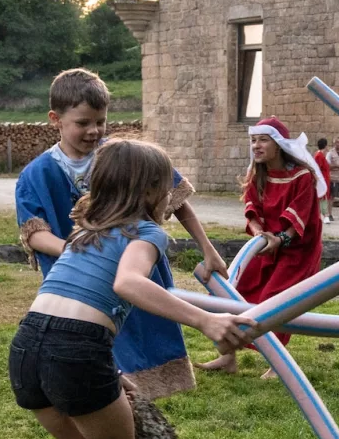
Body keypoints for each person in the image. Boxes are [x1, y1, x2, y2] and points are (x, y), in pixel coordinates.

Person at [0, 140, 254, 439]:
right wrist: (206, 319)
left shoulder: (85, 233)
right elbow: (127, 283)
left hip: (28, 345)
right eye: (166, 185)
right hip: (75, 350)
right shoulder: (148, 233)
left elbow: (81, 299)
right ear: (150, 189)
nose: (171, 196)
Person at [16, 68, 226, 399]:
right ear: (55, 119)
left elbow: (178, 200)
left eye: (100, 121)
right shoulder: (37, 174)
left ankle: (125, 420)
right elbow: (33, 233)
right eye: (82, 123)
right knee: (92, 351)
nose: (94, 130)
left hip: (137, 272)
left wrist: (208, 248)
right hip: (83, 286)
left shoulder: (128, 154)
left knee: (142, 336)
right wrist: (83, 250)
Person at [201, 116, 326, 376]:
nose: (256, 146)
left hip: (297, 250)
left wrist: (280, 239)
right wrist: (260, 235)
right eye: (253, 140)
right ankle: (228, 357)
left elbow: (300, 217)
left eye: (262, 140)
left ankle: (277, 364)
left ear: (278, 144)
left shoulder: (302, 177)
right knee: (236, 293)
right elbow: (252, 212)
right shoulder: (257, 174)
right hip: (265, 245)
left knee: (275, 302)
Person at [313, 138, 333, 220]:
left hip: (325, 179)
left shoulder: (321, 155)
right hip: (322, 180)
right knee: (322, 197)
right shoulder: (319, 156)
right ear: (325, 146)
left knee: (324, 197)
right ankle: (324, 215)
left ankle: (323, 214)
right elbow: (317, 169)